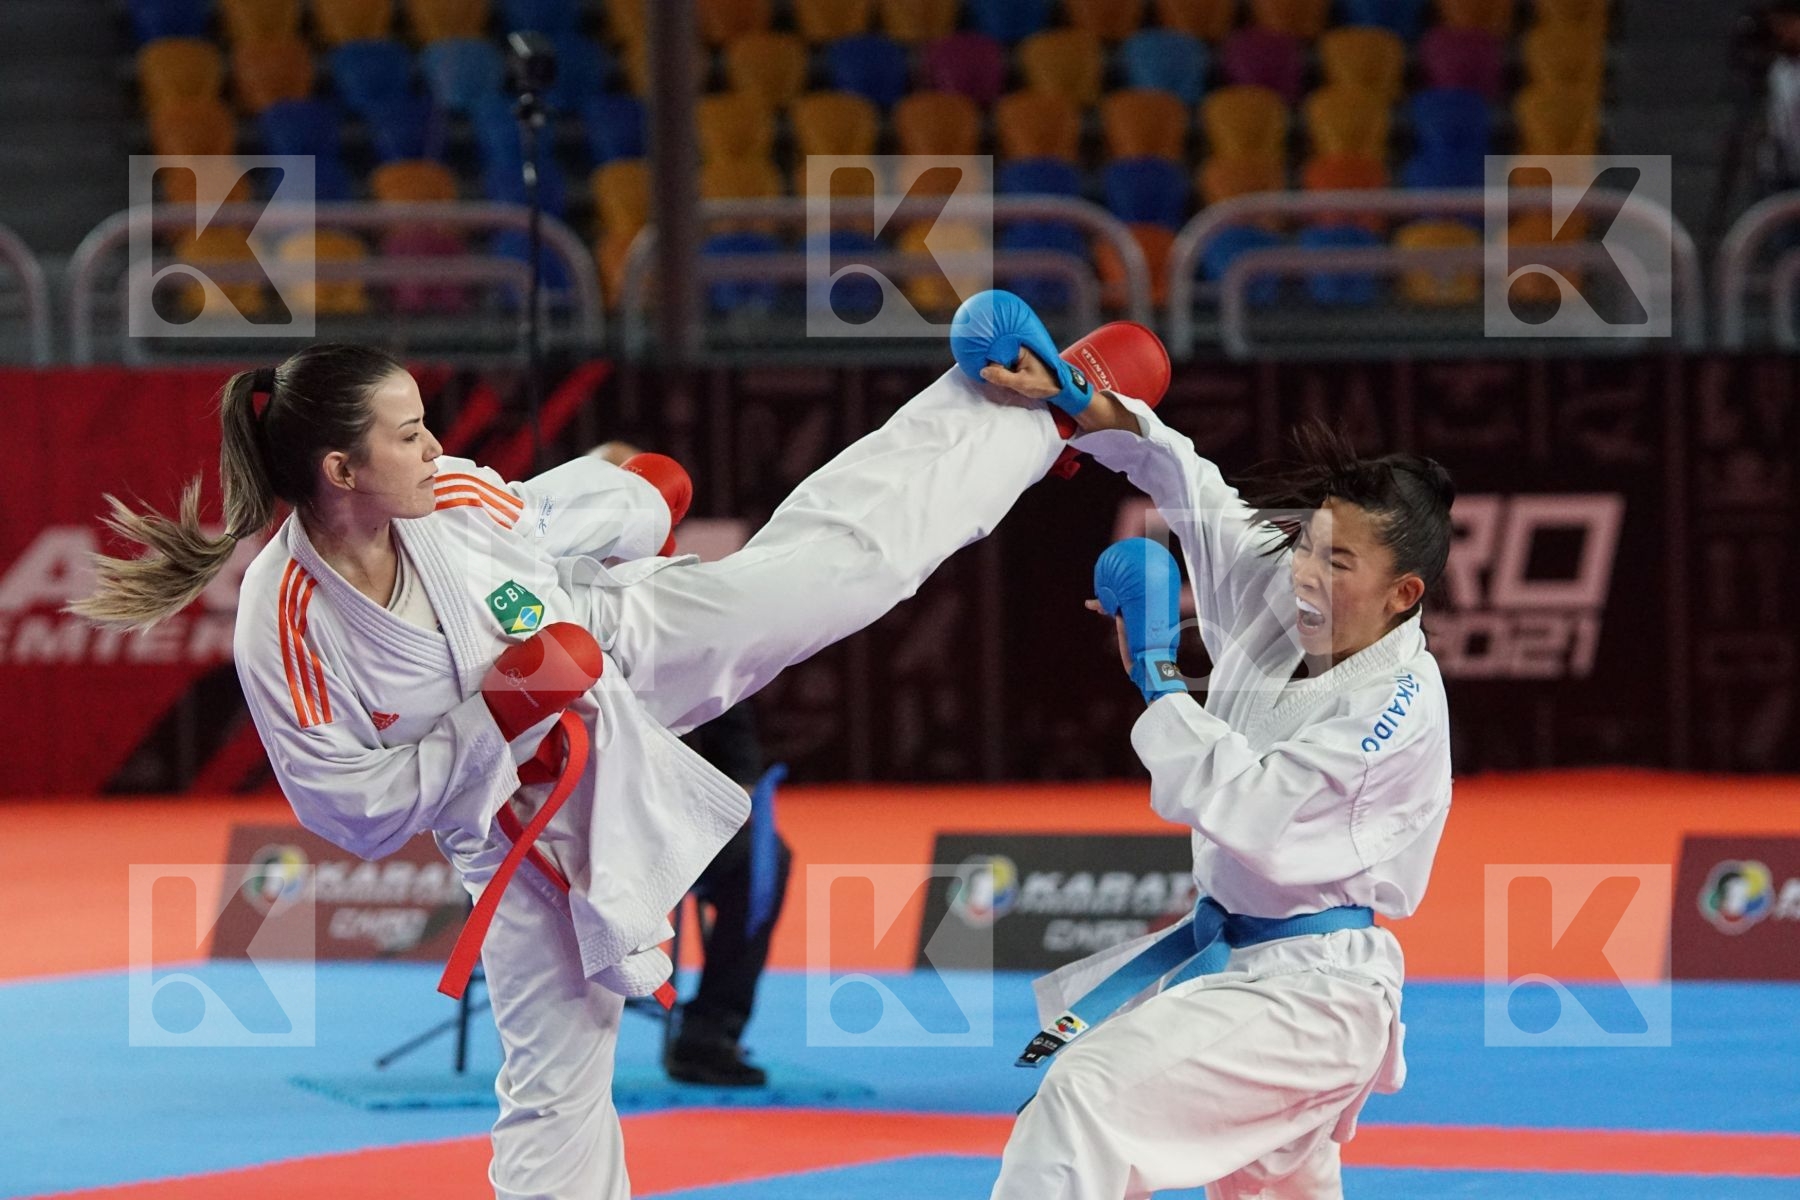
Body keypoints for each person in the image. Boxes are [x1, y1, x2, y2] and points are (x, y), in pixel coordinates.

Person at [70, 295, 1170, 1200]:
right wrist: (498, 714)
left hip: (622, 648)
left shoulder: (446, 495)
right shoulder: (288, 621)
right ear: (341, 472)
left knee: (836, 570)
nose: (434, 443)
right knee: (555, 1081)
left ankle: (1031, 410)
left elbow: (538, 518)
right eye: (407, 433)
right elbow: (347, 809)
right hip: (517, 830)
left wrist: (638, 501)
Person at [969, 361, 1456, 1198]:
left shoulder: (1397, 705)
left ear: (1401, 594)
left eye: (1339, 564)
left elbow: (1257, 811)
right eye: (1307, 544)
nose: (1306, 572)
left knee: (1083, 1099)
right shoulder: (1281, 597)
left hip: (1315, 999)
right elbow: (1188, 483)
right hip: (1243, 972)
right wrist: (1083, 400)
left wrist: (1160, 679)